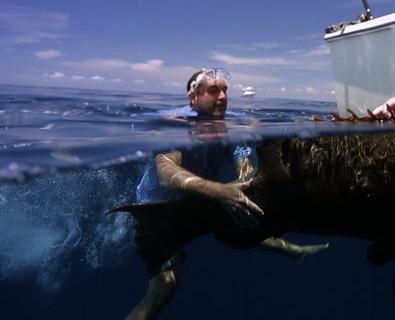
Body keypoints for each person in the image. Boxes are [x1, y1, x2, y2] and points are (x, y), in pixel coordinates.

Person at [127, 68, 328, 320]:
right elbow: (168, 175)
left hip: (205, 200)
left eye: (225, 90)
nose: (222, 96)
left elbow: (244, 168)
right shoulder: (175, 126)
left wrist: (242, 185)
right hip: (159, 212)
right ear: (193, 98)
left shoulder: (233, 125)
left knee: (246, 213)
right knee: (163, 291)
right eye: (213, 91)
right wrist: (220, 190)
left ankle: (294, 252)